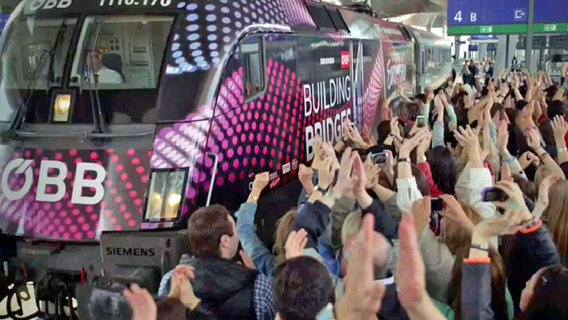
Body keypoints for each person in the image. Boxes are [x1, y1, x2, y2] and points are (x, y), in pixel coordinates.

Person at [158, 205, 275, 320]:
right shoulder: (259, 285)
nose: (238, 236)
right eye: (235, 229)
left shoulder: (170, 280)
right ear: (225, 241)